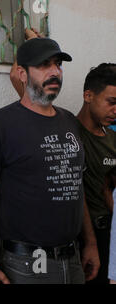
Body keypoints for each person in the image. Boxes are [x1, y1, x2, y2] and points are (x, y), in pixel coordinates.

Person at [0, 38, 100, 284]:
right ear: (22, 73)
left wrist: (90, 243)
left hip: (72, 258)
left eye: (58, 65)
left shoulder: (70, 121)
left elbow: (75, 185)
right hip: (26, 264)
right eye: (44, 65)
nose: (54, 72)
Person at [76, 63, 116, 284]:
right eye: (111, 102)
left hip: (110, 233)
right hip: (80, 239)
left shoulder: (113, 139)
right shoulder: (67, 130)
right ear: (88, 95)